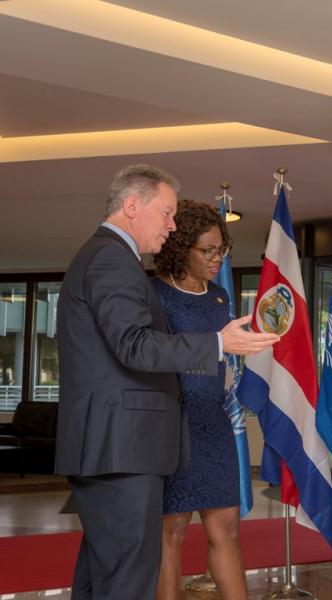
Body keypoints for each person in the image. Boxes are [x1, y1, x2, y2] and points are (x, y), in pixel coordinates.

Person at [55, 164, 278, 600]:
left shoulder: (106, 257)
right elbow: (134, 345)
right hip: (121, 448)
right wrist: (217, 343)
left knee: (103, 577)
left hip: (116, 446)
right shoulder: (110, 258)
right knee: (126, 579)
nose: (172, 225)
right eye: (167, 213)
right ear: (132, 205)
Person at [151, 199, 247, 600]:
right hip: (172, 427)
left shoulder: (220, 296)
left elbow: (225, 351)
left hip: (214, 423)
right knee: (170, 532)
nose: (216, 258)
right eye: (206, 250)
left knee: (225, 527)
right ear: (180, 248)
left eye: (221, 249)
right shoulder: (152, 293)